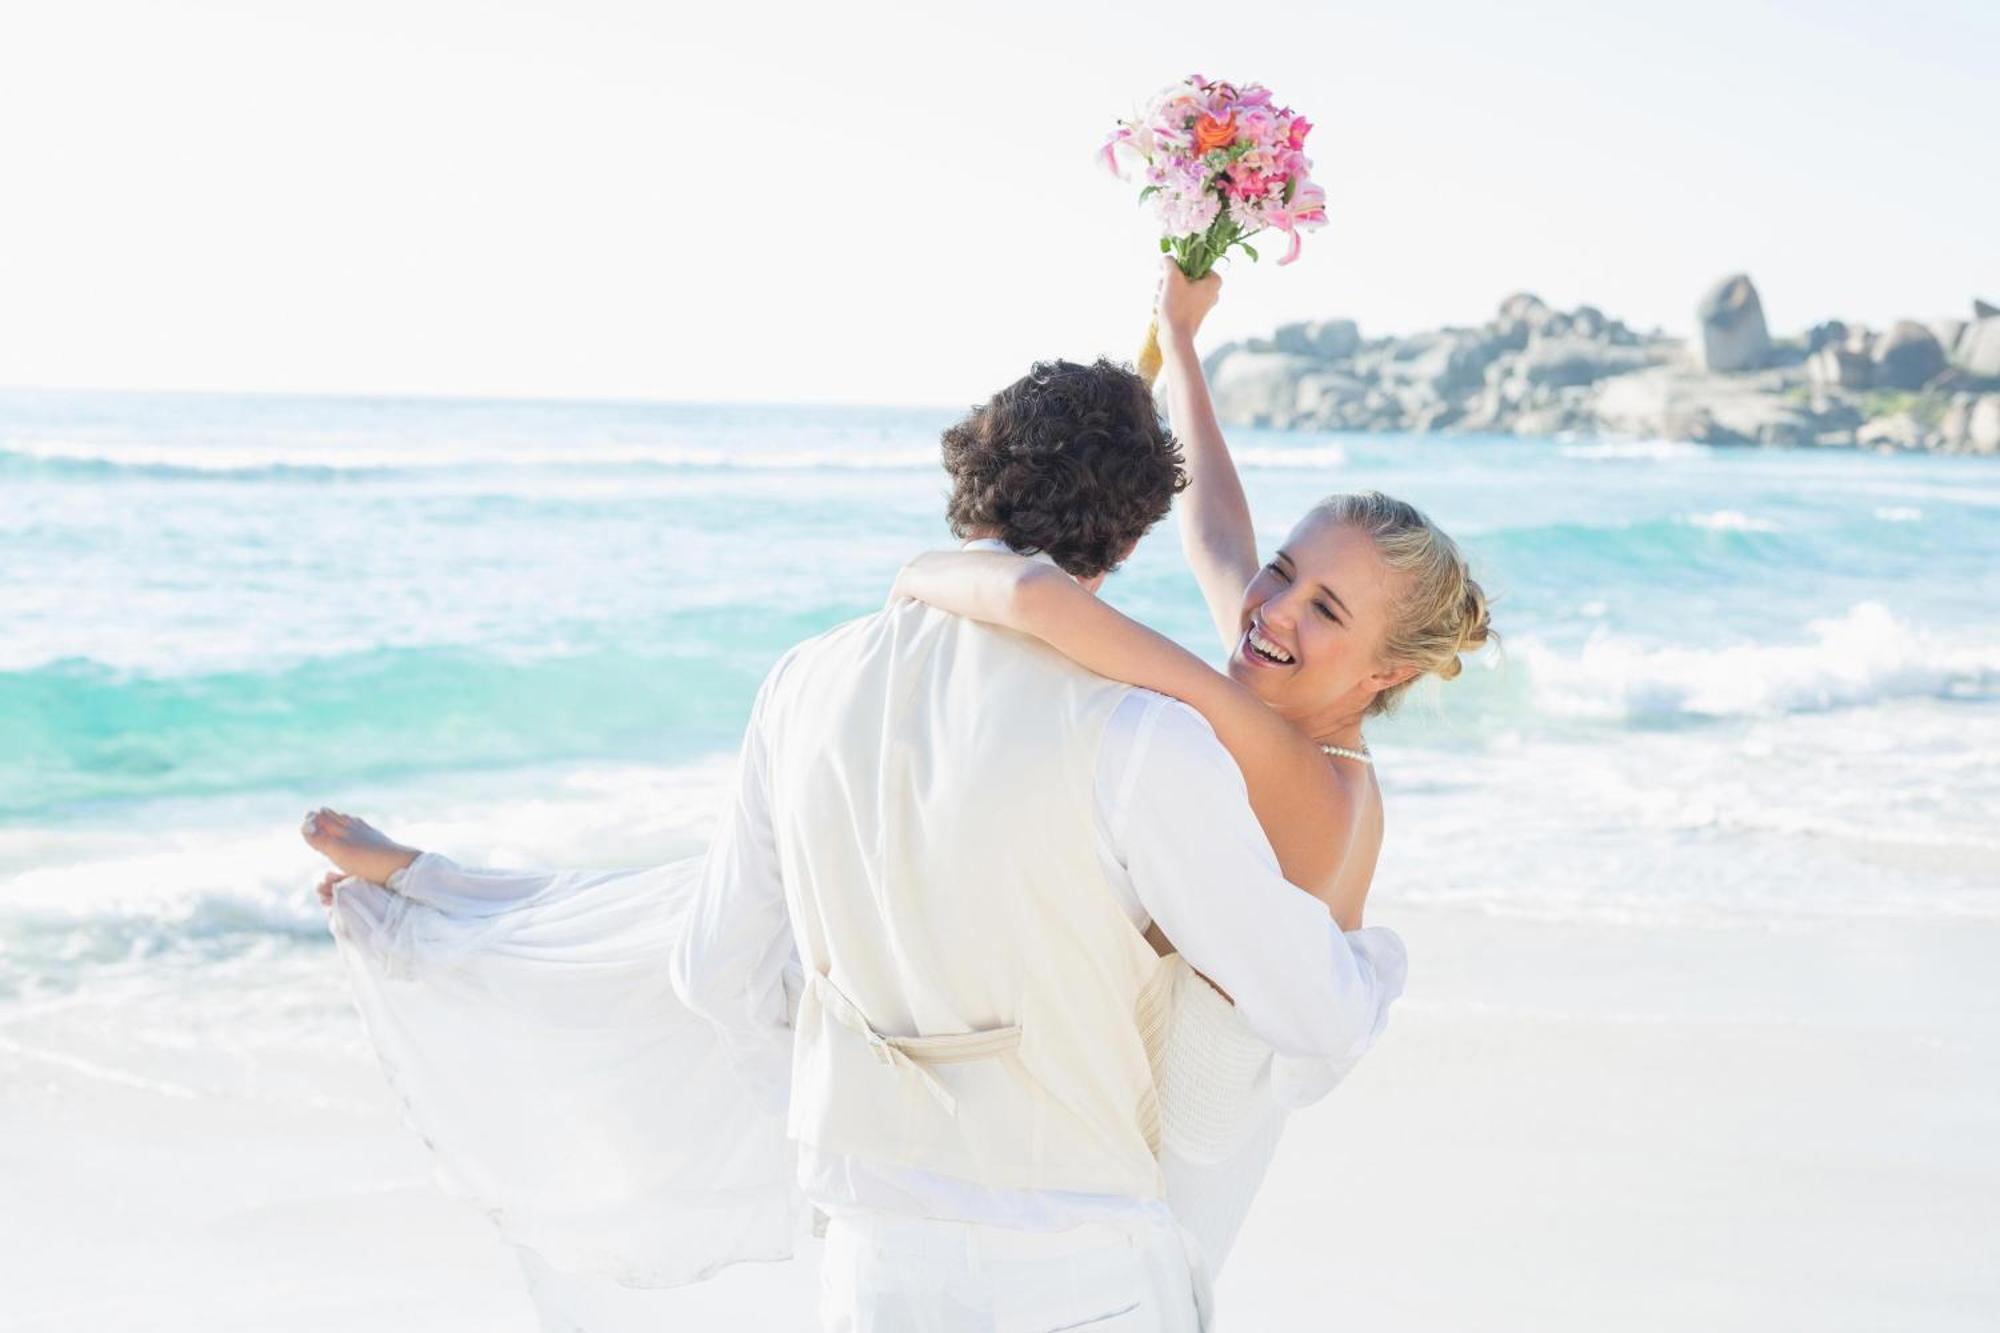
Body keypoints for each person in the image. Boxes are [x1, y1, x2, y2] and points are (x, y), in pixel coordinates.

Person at [305, 348, 1424, 1328]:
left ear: (966, 481)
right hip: (1079, 1268)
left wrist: (861, 1094)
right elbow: (1307, 1010)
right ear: (1130, 533)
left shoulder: (802, 684)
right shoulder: (1144, 740)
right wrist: (1373, 963)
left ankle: (435, 891)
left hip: (874, 1261)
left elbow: (710, 966)